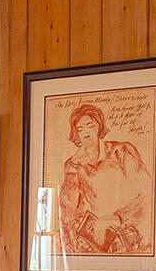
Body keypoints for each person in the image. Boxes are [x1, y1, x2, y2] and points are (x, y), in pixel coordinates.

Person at [55, 103, 150, 255]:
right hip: (93, 241)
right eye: (80, 129)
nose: (85, 132)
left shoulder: (121, 151)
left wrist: (117, 218)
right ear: (76, 134)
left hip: (126, 232)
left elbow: (149, 195)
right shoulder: (73, 165)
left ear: (99, 126)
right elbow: (67, 210)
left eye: (90, 125)